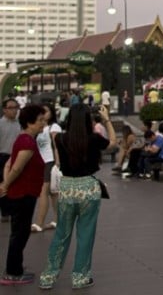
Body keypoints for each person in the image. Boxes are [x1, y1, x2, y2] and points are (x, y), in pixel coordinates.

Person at [37, 104, 115, 290]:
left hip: (67, 188)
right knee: (85, 234)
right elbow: (112, 144)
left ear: (69, 119)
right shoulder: (94, 139)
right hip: (88, 188)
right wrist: (106, 120)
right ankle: (80, 276)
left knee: (61, 234)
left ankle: (48, 276)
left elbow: (58, 161)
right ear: (88, 120)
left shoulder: (60, 138)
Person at [0, 103, 47, 285]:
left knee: (19, 232)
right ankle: (12, 273)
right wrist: (6, 184)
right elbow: (17, 167)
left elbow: (8, 165)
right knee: (19, 233)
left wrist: (6, 183)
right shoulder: (27, 142)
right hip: (23, 194)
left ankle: (15, 268)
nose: (43, 124)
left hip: (22, 193)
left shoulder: (23, 139)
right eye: (40, 120)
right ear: (29, 122)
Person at [32, 104, 60, 232]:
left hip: (50, 162)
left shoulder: (54, 127)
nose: (44, 114)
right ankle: (57, 220)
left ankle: (39, 223)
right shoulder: (40, 127)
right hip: (41, 162)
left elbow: (57, 146)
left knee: (44, 192)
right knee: (53, 193)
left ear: (52, 113)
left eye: (46, 111)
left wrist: (57, 164)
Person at [0, 99, 21, 221]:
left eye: (16, 107)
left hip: (17, 157)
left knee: (15, 183)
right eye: (11, 107)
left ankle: (14, 210)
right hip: (3, 157)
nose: (14, 110)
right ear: (4, 110)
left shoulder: (19, 123)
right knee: (3, 183)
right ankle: (5, 211)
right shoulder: (0, 124)